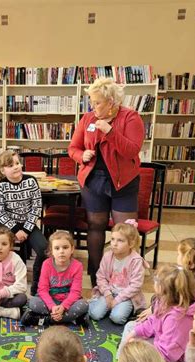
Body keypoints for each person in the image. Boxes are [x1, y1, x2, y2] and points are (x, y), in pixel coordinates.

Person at [68, 77, 145, 286]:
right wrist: (80, 156)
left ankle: (125, 282)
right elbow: (73, 148)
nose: (93, 107)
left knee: (124, 232)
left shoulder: (131, 117)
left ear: (111, 102)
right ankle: (97, 281)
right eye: (92, 102)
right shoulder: (87, 119)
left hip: (124, 183)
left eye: (97, 102)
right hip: (94, 182)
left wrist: (110, 132)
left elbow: (132, 150)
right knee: (95, 227)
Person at [118, 264, 195, 362]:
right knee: (131, 327)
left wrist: (141, 348)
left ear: (168, 292)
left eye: (157, 280)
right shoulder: (164, 299)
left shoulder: (177, 320)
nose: (154, 282)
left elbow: (168, 354)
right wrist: (135, 333)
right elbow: (153, 321)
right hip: (161, 342)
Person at [0, 150, 47, 295]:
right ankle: (2, 283)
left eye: (17, 163)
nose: (16, 167)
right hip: (8, 225)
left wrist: (26, 230)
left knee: (44, 249)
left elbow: (36, 208)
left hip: (28, 224)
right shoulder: (1, 186)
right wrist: (16, 230)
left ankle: (36, 285)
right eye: (11, 165)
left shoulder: (31, 181)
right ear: (3, 170)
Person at [23, 230, 89, 326]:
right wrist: (52, 306)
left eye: (65, 247)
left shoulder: (77, 266)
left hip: (68, 302)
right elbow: (42, 290)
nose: (61, 251)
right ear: (52, 251)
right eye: (57, 248)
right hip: (49, 300)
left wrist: (63, 307)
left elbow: (75, 292)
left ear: (72, 249)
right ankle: (72, 319)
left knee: (84, 305)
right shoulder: (46, 264)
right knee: (33, 303)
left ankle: (46, 320)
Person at [88, 220, 148, 325]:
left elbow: (135, 285)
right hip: (109, 293)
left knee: (117, 318)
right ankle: (109, 307)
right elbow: (100, 276)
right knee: (94, 314)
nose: (114, 244)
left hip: (127, 296)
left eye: (120, 240)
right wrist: (107, 294)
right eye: (112, 239)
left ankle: (125, 309)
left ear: (131, 243)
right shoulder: (107, 256)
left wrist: (118, 300)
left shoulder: (136, 260)